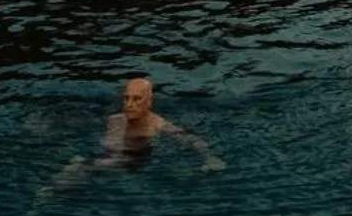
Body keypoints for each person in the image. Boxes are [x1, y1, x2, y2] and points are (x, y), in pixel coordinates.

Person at [46, 78, 223, 191]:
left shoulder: (158, 125)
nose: (130, 104)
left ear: (149, 102)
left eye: (137, 99)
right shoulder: (115, 120)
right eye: (126, 98)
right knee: (73, 171)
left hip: (131, 161)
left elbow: (190, 139)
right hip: (104, 157)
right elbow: (82, 124)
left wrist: (209, 157)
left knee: (78, 168)